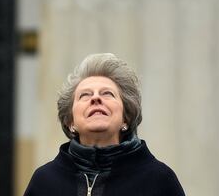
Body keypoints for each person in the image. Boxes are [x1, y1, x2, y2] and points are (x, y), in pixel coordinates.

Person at [24, 53, 185, 196]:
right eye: (85, 95)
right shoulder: (44, 181)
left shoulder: (158, 180)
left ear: (125, 118)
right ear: (70, 121)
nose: (95, 98)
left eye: (107, 93)